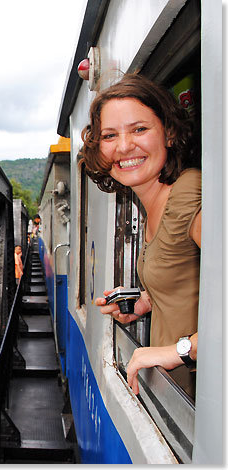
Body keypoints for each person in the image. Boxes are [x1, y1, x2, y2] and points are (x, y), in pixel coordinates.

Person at [80, 73, 201, 397]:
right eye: (109, 135)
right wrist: (145, 301)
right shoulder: (156, 204)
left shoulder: (191, 197)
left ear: (169, 134)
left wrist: (179, 349)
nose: (123, 146)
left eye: (139, 129)